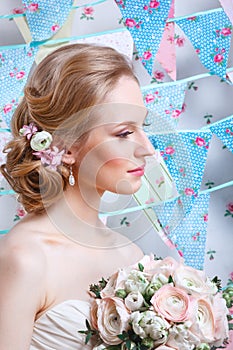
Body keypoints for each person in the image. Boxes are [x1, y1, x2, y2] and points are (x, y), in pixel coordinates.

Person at [0, 43, 155, 349]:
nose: (147, 148)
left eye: (143, 127)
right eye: (124, 133)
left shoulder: (132, 257)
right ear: (66, 148)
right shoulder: (27, 259)